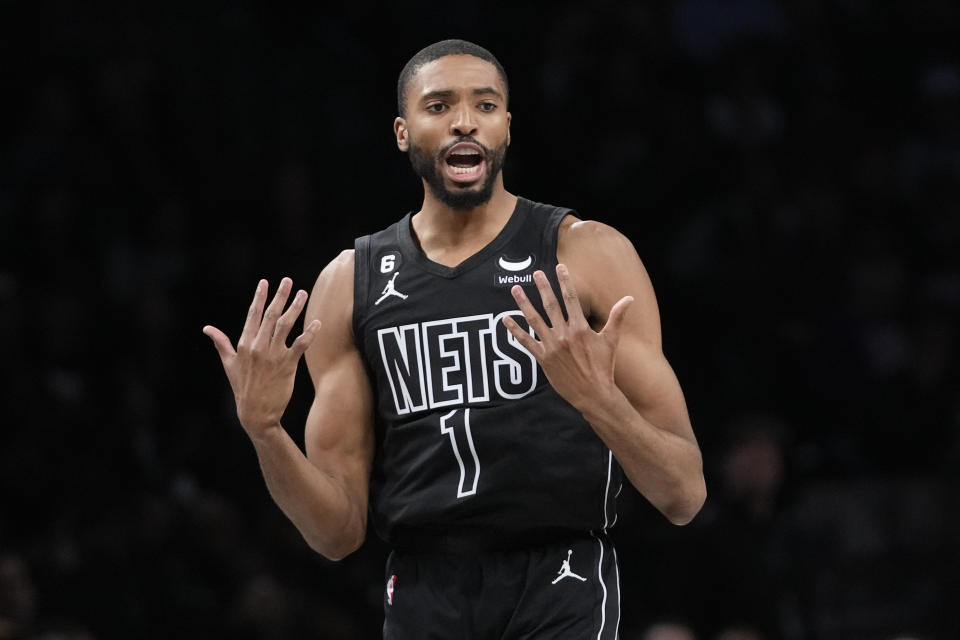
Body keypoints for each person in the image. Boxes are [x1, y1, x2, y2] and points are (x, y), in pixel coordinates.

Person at [203, 39, 706, 639]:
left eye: (485, 106)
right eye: (438, 106)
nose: (465, 121)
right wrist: (264, 432)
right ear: (401, 130)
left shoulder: (587, 253)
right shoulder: (349, 284)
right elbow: (336, 534)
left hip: (561, 576)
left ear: (508, 128)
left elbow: (684, 494)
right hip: (423, 589)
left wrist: (598, 400)